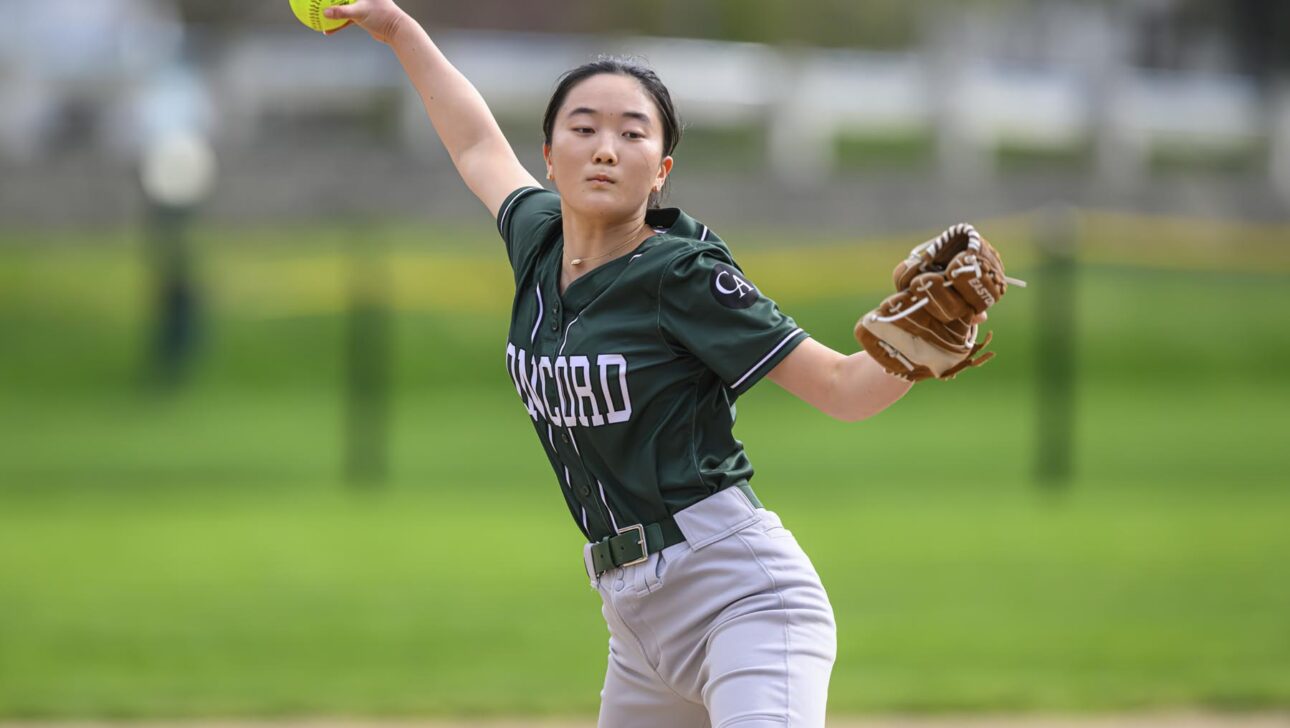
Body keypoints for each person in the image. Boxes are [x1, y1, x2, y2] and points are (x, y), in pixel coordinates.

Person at [325, 3, 987, 725]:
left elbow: (841, 389)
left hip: (742, 598)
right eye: (583, 128)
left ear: (661, 170)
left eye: (631, 132)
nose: (605, 147)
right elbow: (477, 144)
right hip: (634, 627)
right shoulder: (538, 241)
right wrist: (396, 28)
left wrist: (926, 340)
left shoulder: (684, 275)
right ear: (549, 155)